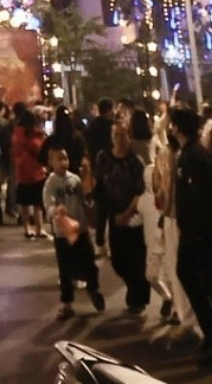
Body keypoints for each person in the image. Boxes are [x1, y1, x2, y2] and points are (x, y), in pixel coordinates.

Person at [169, 107, 212, 369]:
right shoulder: (188, 154)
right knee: (188, 275)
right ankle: (211, 334)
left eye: (172, 125)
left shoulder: (194, 157)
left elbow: (205, 198)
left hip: (200, 233)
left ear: (178, 128)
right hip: (193, 232)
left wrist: (202, 230)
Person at [93, 118, 151, 314]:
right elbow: (100, 188)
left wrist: (127, 213)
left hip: (133, 218)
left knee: (136, 261)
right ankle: (135, 291)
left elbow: (140, 191)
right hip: (113, 215)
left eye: (122, 134)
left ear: (129, 137)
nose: (119, 139)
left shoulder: (135, 162)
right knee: (118, 261)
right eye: (115, 135)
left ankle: (137, 299)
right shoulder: (104, 159)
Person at [43, 145, 107, 319]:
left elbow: (85, 199)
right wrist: (55, 211)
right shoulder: (51, 183)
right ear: (50, 162)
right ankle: (67, 303)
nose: (63, 162)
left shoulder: (75, 180)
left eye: (65, 158)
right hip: (62, 233)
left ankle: (93, 288)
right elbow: (48, 203)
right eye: (59, 159)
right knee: (65, 269)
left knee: (90, 262)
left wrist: (89, 212)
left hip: (81, 229)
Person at [11, 108, 49, 239]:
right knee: (38, 202)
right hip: (35, 171)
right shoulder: (34, 133)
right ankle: (39, 228)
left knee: (24, 202)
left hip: (21, 171)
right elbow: (39, 149)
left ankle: (27, 228)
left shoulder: (16, 134)